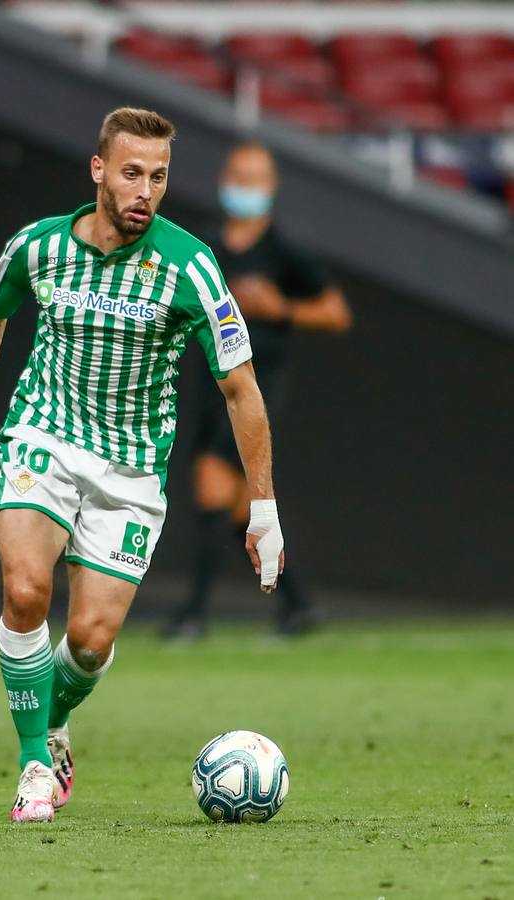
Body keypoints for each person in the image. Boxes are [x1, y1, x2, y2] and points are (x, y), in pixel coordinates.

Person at [0, 108, 284, 824]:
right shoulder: (38, 247)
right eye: (130, 173)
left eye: (158, 176)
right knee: (26, 590)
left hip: (131, 471)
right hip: (43, 438)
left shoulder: (190, 266)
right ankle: (33, 767)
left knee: (88, 643)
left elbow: (241, 388)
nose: (145, 190)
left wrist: (265, 510)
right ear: (98, 171)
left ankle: (51, 720)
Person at [163, 141, 351, 640]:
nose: (245, 188)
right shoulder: (204, 248)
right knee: (242, 508)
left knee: (210, 481)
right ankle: (299, 605)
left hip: (257, 385)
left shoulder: (285, 253)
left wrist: (280, 308)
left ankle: (193, 615)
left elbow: (335, 312)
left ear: (271, 188)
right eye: (238, 177)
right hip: (210, 381)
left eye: (255, 179)